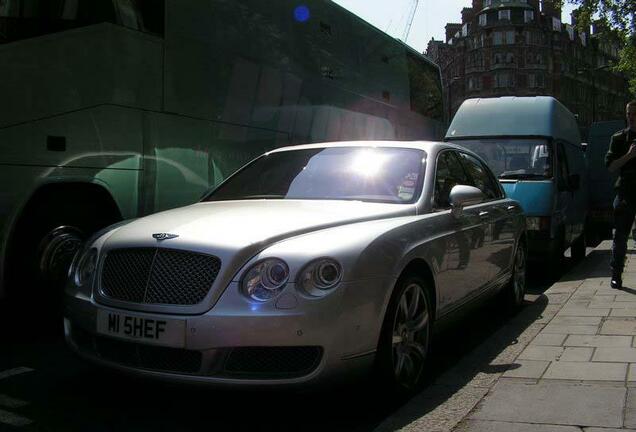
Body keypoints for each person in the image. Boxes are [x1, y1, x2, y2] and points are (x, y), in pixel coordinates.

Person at [606, 100, 636, 289]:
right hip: (626, 191)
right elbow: (610, 167)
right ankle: (616, 275)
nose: (631, 118)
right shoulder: (618, 138)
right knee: (620, 237)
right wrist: (629, 155)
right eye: (629, 114)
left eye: (635, 114)